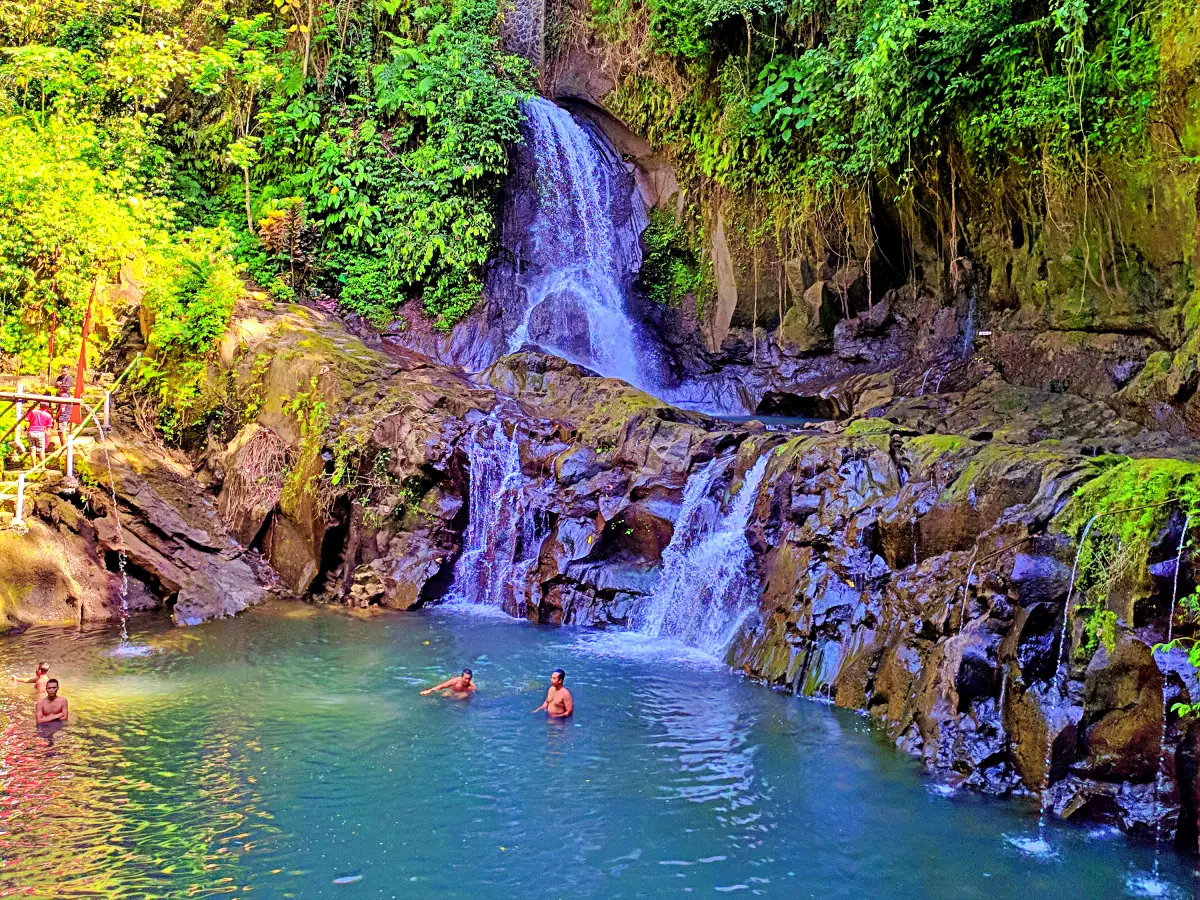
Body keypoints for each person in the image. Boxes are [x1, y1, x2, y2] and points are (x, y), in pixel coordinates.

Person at [35, 678, 68, 745]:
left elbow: (65, 718)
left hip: (57, 725)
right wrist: (57, 716)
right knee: (41, 746)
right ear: (46, 689)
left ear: (58, 688)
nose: (51, 690)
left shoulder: (63, 701)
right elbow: (39, 721)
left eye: (54, 688)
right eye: (49, 688)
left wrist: (45, 719)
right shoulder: (40, 703)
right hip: (43, 727)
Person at [53, 366, 73, 448]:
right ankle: (63, 447)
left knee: (62, 431)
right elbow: (55, 385)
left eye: (64, 371)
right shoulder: (59, 377)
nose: (63, 373)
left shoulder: (69, 378)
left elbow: (65, 386)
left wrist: (55, 417)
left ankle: (64, 448)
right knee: (60, 431)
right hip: (59, 402)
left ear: (68, 371)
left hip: (63, 416)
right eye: (62, 371)